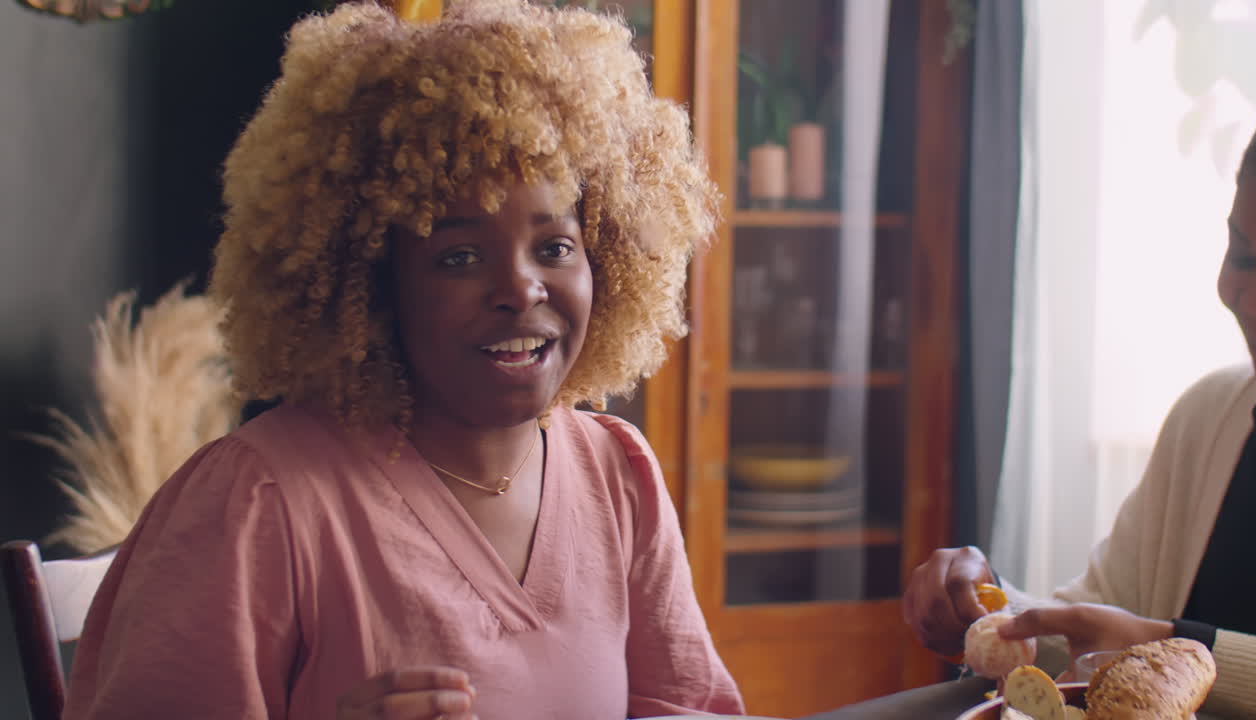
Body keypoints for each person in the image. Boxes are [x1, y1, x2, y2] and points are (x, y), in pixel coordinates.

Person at [62, 2, 744, 718]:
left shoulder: (617, 476)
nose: (520, 288)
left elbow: (687, 707)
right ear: (374, 283)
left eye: (555, 247)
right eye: (458, 256)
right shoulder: (260, 501)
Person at [903, 97, 1256, 719]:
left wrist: (1171, 646)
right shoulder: (1211, 418)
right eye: (1243, 256)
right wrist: (990, 613)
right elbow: (1092, 639)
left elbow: (1138, 637)